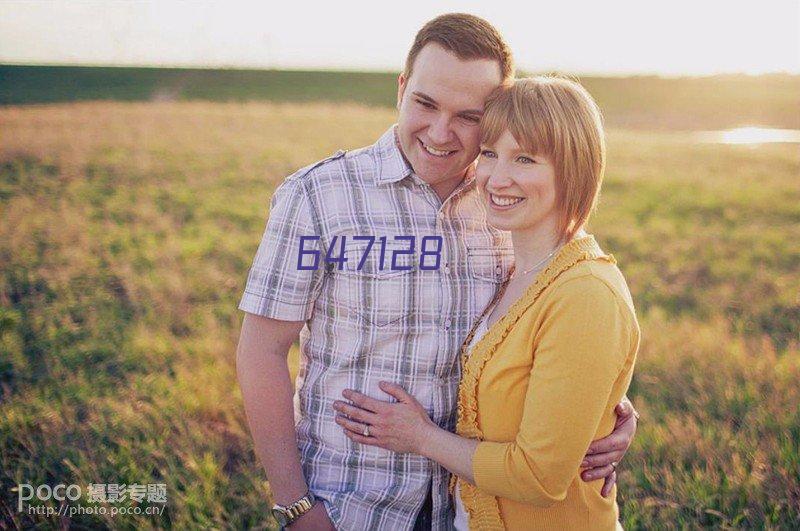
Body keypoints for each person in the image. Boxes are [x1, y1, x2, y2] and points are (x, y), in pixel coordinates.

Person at [235, 14, 638, 530]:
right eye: (425, 104)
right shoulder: (317, 196)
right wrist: (295, 505)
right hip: (348, 505)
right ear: (402, 89)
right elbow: (262, 350)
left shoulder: (506, 203)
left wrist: (604, 407)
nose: (441, 132)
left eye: (469, 117)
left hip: (471, 508)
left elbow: (544, 332)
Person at [333, 76, 640, 530]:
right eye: (490, 153)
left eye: (525, 159)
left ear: (573, 169)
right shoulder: (516, 270)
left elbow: (539, 478)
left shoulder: (585, 294)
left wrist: (420, 437)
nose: (497, 177)